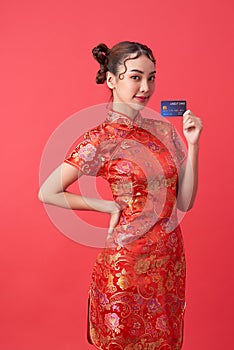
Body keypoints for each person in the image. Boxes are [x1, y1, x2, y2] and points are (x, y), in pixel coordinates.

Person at [38, 41, 203, 349]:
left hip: (169, 260)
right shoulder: (101, 138)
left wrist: (193, 145)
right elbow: (47, 191)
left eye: (151, 77)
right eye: (136, 77)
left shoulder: (164, 131)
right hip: (126, 262)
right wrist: (107, 207)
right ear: (112, 80)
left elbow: (184, 202)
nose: (146, 86)